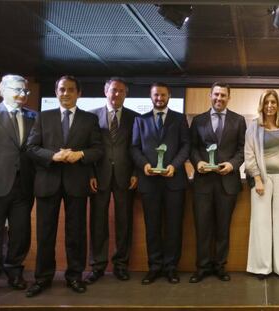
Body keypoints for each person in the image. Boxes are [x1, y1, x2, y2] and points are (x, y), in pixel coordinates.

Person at [26, 76, 103, 297]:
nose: (66, 93)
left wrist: (81, 154)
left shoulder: (89, 119)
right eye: (62, 89)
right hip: (47, 182)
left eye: (71, 90)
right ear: (56, 92)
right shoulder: (43, 117)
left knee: (76, 234)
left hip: (76, 183)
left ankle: (74, 277)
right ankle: (42, 278)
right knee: (45, 233)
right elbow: (31, 148)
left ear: (79, 93)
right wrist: (53, 156)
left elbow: (98, 150)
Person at [0, 75, 36, 298]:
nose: (23, 95)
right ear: (2, 89)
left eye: (26, 92)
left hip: (24, 185)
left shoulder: (34, 116)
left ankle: (14, 272)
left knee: (21, 232)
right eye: (18, 90)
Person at [131, 82, 190, 285]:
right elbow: (134, 148)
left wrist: (174, 165)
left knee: (174, 227)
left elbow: (186, 146)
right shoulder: (140, 120)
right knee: (152, 227)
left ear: (169, 96)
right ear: (151, 96)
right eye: (156, 95)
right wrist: (144, 165)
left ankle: (171, 267)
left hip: (174, 181)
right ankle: (154, 267)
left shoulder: (180, 119)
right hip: (149, 181)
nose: (159, 98)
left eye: (163, 95)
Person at [189, 82, 246, 283]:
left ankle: (220, 266)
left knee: (223, 227)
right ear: (210, 95)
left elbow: (242, 149)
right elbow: (192, 148)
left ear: (229, 97)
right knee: (203, 227)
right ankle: (202, 267)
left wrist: (232, 165)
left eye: (223, 95)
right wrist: (198, 162)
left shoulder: (238, 121)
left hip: (227, 182)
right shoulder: (198, 120)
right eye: (216, 94)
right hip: (203, 183)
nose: (219, 98)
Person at [85, 78, 139, 284]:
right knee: (98, 222)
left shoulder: (135, 118)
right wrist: (90, 173)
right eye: (114, 91)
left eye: (121, 91)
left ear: (126, 94)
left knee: (124, 222)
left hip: (126, 177)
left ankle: (121, 265)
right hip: (99, 176)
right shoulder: (91, 116)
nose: (117, 95)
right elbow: (88, 146)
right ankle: (97, 265)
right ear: (105, 91)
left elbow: (137, 147)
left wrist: (136, 172)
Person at [244, 90, 279, 279]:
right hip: (262, 180)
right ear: (261, 105)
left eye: (273, 102)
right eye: (266, 102)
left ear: (278, 104)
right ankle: (262, 267)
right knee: (261, 223)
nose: (270, 105)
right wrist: (257, 178)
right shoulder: (254, 126)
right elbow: (249, 155)